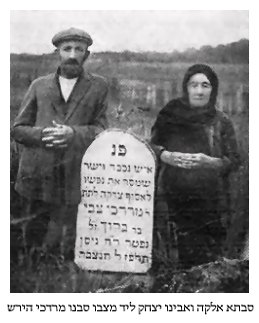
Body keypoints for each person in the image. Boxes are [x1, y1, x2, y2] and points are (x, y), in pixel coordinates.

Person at [11, 27, 109, 259]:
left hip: (74, 173)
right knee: (31, 238)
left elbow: (103, 130)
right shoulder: (39, 85)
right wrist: (46, 134)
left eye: (79, 49)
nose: (73, 54)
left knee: (67, 242)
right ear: (58, 52)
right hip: (38, 172)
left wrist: (73, 134)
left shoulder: (99, 86)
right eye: (67, 49)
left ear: (87, 54)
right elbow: (17, 129)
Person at [151, 64, 240, 269]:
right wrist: (166, 155)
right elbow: (151, 146)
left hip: (210, 203)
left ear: (213, 89)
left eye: (205, 85)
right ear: (186, 88)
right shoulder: (170, 113)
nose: (199, 91)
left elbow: (234, 159)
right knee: (173, 258)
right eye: (194, 85)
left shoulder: (221, 121)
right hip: (171, 199)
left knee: (206, 262)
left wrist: (210, 162)